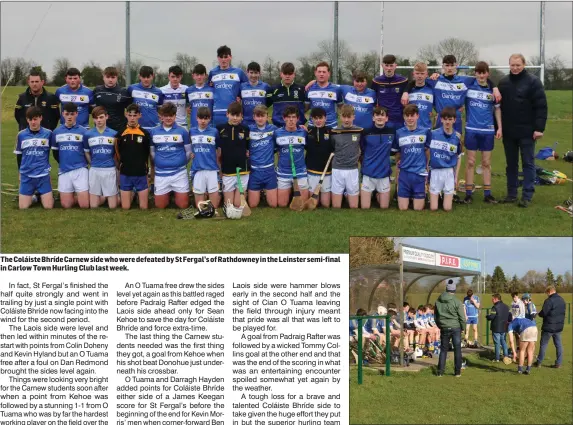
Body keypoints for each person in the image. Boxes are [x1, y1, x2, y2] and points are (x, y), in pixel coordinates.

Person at [498, 53, 548, 208]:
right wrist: (498, 127)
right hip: (509, 131)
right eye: (512, 65)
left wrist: (539, 128)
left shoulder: (533, 82)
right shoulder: (503, 82)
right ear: (509, 65)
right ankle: (511, 194)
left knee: (528, 163)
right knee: (511, 164)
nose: (515, 68)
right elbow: (497, 107)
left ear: (524, 65)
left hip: (527, 131)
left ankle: (527, 195)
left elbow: (541, 106)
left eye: (518, 65)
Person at [463, 61, 502, 204]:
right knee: (471, 162)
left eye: (483, 72)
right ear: (475, 73)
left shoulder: (492, 90)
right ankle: (468, 194)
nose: (481, 75)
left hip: (487, 130)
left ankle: (488, 194)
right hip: (471, 129)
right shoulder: (468, 86)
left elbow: (497, 109)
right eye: (478, 72)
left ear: (487, 74)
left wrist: (500, 128)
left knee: (486, 162)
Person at [149, 103, 191, 209]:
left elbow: (188, 152)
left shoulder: (183, 131)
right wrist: (160, 162)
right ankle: (169, 195)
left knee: (183, 205)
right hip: (161, 174)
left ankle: (176, 194)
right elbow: (152, 153)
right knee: (160, 206)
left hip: (179, 173)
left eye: (171, 115)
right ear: (161, 116)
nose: (168, 118)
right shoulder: (154, 132)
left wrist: (181, 162)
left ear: (175, 116)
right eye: (166, 115)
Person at [392, 104, 431, 211]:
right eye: (407, 116)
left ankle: (423, 193)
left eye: (412, 115)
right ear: (404, 117)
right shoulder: (399, 133)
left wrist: (426, 166)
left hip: (419, 173)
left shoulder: (425, 132)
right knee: (403, 208)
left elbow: (427, 150)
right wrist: (398, 168)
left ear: (417, 116)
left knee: (418, 209)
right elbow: (398, 153)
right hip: (404, 173)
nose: (409, 118)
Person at [14, 106, 54, 209]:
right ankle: (35, 197)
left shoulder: (48, 134)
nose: (33, 122)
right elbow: (19, 155)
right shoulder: (21, 135)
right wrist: (20, 173)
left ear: (41, 118)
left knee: (49, 207)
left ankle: (43, 195)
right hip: (27, 175)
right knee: (23, 207)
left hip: (43, 175)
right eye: (30, 119)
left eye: (35, 119)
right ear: (27, 120)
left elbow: (55, 151)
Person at [50, 103, 89, 208]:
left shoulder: (84, 132)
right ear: (63, 114)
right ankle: (71, 196)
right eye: (67, 114)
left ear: (76, 114)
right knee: (66, 205)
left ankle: (85, 196)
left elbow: (87, 152)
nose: (69, 116)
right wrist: (64, 162)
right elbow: (55, 153)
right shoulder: (56, 132)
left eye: (72, 114)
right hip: (64, 170)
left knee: (85, 205)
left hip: (80, 169)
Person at [115, 103, 151, 209]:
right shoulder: (120, 134)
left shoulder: (145, 134)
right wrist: (120, 168)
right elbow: (117, 153)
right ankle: (132, 194)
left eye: (135, 115)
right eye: (130, 115)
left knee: (143, 207)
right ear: (126, 115)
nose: (132, 118)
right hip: (126, 173)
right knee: (125, 207)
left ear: (139, 115)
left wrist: (148, 172)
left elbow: (148, 154)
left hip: (140, 173)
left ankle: (136, 194)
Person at [83, 106, 119, 209]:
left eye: (101, 117)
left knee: (113, 206)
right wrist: (92, 164)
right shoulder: (88, 134)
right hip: (95, 170)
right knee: (93, 206)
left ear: (106, 117)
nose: (98, 120)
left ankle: (106, 196)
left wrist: (115, 168)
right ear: (93, 119)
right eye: (96, 118)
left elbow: (116, 154)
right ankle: (103, 197)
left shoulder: (114, 134)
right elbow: (87, 153)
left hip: (110, 170)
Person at [273, 106, 309, 207]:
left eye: (293, 117)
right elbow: (273, 150)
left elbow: (310, 148)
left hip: (300, 171)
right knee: (282, 204)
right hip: (283, 172)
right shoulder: (277, 133)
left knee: (303, 204)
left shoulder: (303, 132)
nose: (291, 120)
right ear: (284, 118)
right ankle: (291, 191)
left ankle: (295, 190)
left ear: (298, 119)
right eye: (288, 117)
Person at [216, 102, 250, 208]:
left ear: (241, 116)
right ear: (227, 114)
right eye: (232, 115)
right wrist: (220, 170)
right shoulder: (220, 128)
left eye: (238, 115)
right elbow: (218, 151)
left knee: (238, 204)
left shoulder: (245, 129)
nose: (235, 118)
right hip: (227, 169)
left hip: (242, 169)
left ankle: (244, 194)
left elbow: (248, 149)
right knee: (229, 205)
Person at [428, 107, 463, 212]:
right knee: (433, 208)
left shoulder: (457, 137)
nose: (447, 122)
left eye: (450, 119)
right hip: (435, 171)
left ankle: (443, 196)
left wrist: (456, 177)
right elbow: (427, 153)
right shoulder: (433, 134)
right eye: (445, 119)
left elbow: (459, 157)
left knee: (447, 208)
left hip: (448, 172)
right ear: (441, 120)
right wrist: (426, 170)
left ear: (454, 120)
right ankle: (437, 196)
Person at [360, 106, 395, 209]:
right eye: (377, 115)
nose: (380, 117)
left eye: (382, 115)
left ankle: (377, 194)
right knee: (365, 207)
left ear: (387, 118)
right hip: (368, 173)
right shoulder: (366, 131)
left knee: (384, 207)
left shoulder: (392, 131)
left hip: (384, 174)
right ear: (373, 118)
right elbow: (362, 150)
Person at [330, 104, 363, 209]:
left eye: (349, 117)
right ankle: (343, 194)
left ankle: (346, 193)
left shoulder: (359, 131)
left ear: (354, 116)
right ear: (340, 117)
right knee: (336, 206)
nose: (346, 120)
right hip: (337, 169)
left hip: (352, 170)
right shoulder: (334, 132)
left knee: (353, 206)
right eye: (344, 117)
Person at [208, 45, 248, 127]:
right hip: (217, 113)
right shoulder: (212, 73)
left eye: (225, 57)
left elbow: (246, 87)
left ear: (230, 57)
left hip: (233, 114)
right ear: (217, 58)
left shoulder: (238, 72)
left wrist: (239, 96)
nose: (223, 59)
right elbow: (209, 88)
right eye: (221, 57)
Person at [247, 105, 278, 208]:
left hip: (269, 170)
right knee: (252, 205)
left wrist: (301, 127)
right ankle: (259, 192)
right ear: (254, 117)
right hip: (254, 171)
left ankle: (266, 192)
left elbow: (286, 132)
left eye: (262, 116)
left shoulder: (273, 129)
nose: (260, 118)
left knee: (273, 204)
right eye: (258, 116)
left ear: (267, 116)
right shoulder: (249, 130)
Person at [190, 107, 221, 208]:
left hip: (212, 169)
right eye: (201, 118)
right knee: (200, 208)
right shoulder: (191, 131)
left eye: (206, 118)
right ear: (196, 118)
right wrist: (190, 153)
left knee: (214, 207)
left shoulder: (214, 132)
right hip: (198, 169)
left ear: (209, 119)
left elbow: (218, 150)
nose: (203, 121)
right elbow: (187, 147)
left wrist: (219, 167)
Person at [434, 279, 466, 377]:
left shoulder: (438, 301)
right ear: (454, 290)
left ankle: (440, 372)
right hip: (455, 327)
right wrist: (463, 328)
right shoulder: (457, 301)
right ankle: (457, 372)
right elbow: (462, 317)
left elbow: (436, 316)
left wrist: (440, 325)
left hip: (444, 327)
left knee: (443, 350)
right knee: (457, 349)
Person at [305, 107, 334, 208]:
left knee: (326, 204)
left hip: (327, 172)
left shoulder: (331, 132)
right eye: (315, 118)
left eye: (320, 118)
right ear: (312, 119)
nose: (318, 121)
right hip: (312, 171)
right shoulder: (307, 132)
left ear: (325, 118)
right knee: (313, 204)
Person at [371, 54, 408, 129]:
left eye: (391, 65)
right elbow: (372, 100)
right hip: (383, 120)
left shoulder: (403, 81)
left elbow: (414, 84)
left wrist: (406, 92)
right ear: (382, 66)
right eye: (387, 65)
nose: (389, 68)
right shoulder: (376, 81)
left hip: (399, 120)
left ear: (395, 66)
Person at [266, 62, 307, 127]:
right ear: (281, 74)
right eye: (285, 73)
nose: (287, 76)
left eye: (290, 74)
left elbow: (307, 106)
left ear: (294, 74)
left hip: (298, 128)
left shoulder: (302, 89)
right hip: (278, 128)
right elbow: (264, 106)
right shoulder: (273, 89)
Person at [535, 285, 566, 369]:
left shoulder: (549, 301)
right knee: (558, 345)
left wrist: (539, 313)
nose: (547, 295)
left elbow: (544, 312)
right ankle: (558, 363)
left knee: (543, 345)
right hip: (559, 326)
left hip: (548, 326)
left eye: (547, 293)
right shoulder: (562, 300)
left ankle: (539, 362)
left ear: (549, 292)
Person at [93, 66, 131, 131]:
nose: (110, 80)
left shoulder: (124, 92)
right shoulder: (97, 90)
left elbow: (130, 110)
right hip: (101, 128)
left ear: (117, 78)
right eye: (108, 77)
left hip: (119, 129)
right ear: (103, 77)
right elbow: (93, 108)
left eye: (113, 77)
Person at [305, 62, 343, 127]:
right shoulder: (309, 88)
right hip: (313, 125)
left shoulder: (336, 89)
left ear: (329, 74)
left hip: (331, 125)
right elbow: (305, 108)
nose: (321, 74)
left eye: (324, 72)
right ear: (315, 73)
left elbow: (342, 108)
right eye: (319, 72)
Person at [127, 66, 165, 130]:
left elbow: (160, 109)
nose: (146, 79)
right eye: (143, 77)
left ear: (152, 76)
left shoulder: (158, 92)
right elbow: (127, 107)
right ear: (139, 76)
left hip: (154, 127)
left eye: (148, 77)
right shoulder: (131, 88)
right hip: (137, 127)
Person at [240, 62, 271, 128]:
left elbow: (269, 103)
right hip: (246, 122)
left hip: (261, 122)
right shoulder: (241, 87)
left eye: (256, 73)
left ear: (259, 73)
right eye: (251, 72)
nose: (253, 75)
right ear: (247, 73)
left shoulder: (266, 87)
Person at [405, 62, 434, 130]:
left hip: (426, 128)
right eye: (417, 73)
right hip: (409, 129)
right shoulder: (407, 90)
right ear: (413, 74)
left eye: (422, 73)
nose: (419, 76)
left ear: (426, 74)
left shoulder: (432, 90)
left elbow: (438, 106)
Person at [186, 64, 215, 129]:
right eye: (197, 75)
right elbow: (188, 106)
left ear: (206, 76)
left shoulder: (212, 90)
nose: (199, 77)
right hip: (194, 127)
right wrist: (187, 109)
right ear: (193, 76)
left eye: (201, 74)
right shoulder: (188, 90)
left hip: (209, 126)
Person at [485, 293, 511, 362]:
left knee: (497, 343)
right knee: (503, 342)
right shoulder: (507, 306)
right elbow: (510, 317)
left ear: (496, 299)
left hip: (496, 328)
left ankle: (497, 358)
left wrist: (487, 316)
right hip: (504, 327)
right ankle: (506, 356)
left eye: (493, 299)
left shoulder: (494, 307)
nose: (492, 300)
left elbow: (492, 316)